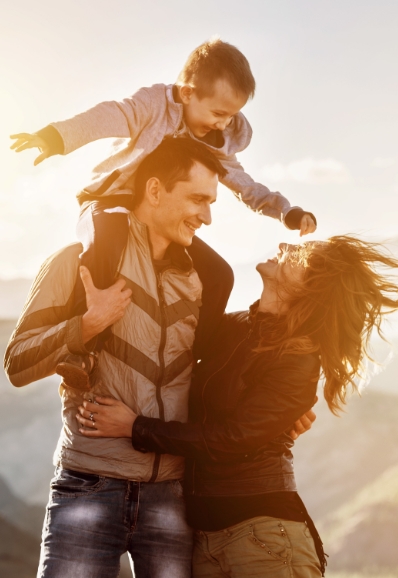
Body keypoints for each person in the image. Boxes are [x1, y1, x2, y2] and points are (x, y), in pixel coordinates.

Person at [4, 138, 314, 578]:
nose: (207, 216)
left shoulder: (205, 281)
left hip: (172, 495)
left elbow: (223, 365)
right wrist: (88, 323)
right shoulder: (78, 263)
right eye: (198, 199)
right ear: (154, 191)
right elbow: (17, 364)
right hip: (89, 483)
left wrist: (284, 407)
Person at [76, 235, 398, 577]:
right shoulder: (234, 328)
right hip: (204, 542)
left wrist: (135, 427)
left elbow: (233, 438)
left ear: (310, 288)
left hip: (264, 540)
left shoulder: (298, 359)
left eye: (300, 255)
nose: (285, 246)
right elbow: (205, 265)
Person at [9, 38, 317, 388]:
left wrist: (286, 212)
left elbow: (244, 183)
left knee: (220, 274)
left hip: (156, 221)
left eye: (231, 116)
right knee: (105, 245)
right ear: (187, 94)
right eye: (217, 113)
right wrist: (55, 137)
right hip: (112, 200)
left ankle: (194, 358)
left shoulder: (216, 142)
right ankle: (85, 350)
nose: (222, 124)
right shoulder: (153, 107)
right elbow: (110, 115)